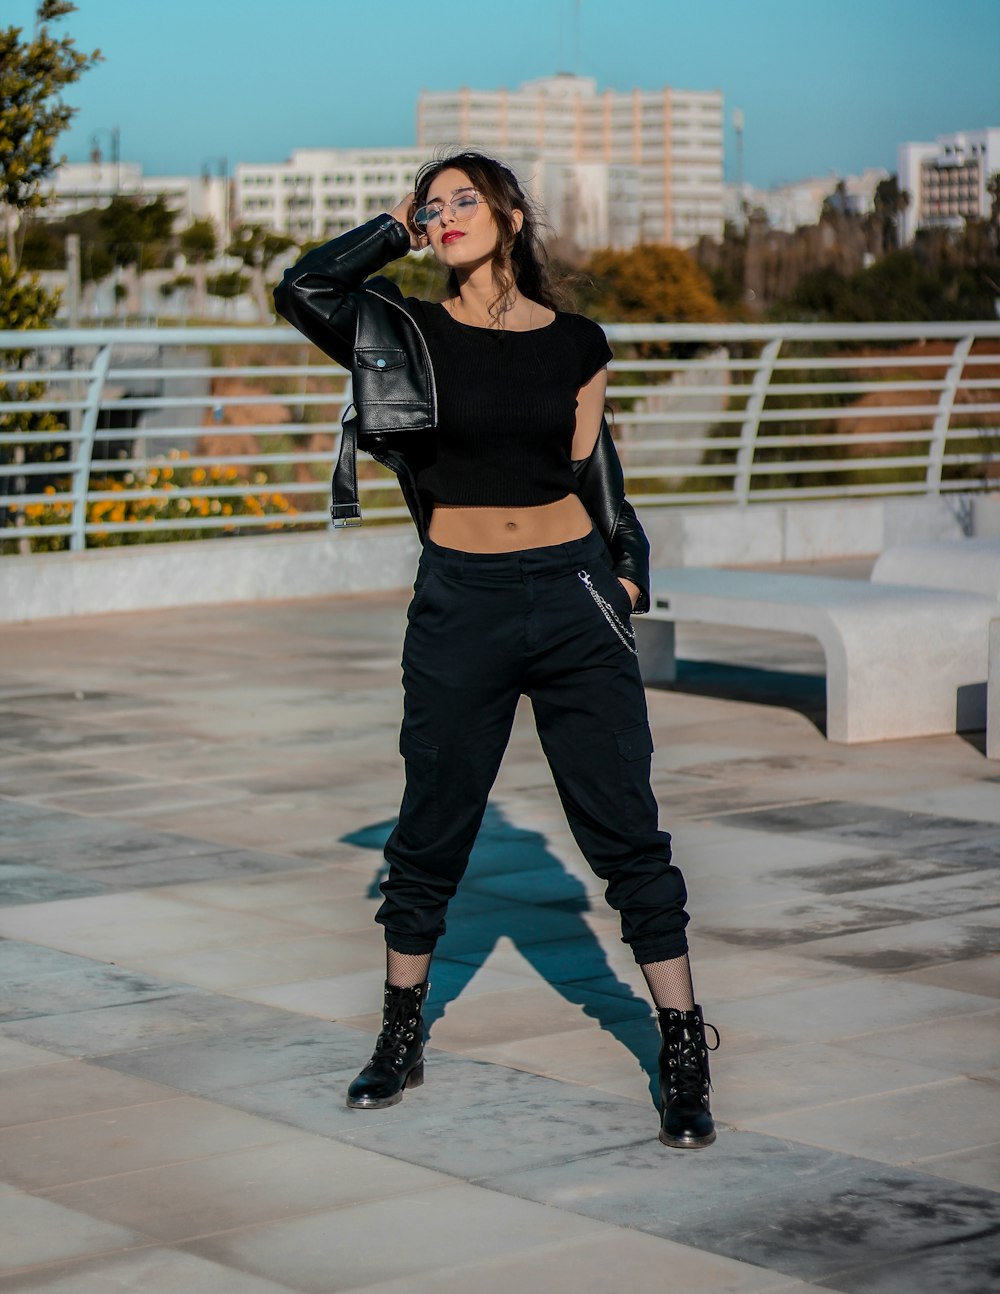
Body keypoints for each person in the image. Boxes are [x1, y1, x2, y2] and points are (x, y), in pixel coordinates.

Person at [274, 151, 718, 1149]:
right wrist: (393, 227)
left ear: (511, 215)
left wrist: (626, 565)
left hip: (570, 594)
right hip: (460, 602)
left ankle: (682, 1044)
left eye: (463, 200)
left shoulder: (576, 342)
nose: (446, 217)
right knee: (431, 825)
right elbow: (300, 288)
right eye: (433, 207)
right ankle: (400, 1033)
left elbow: (592, 465)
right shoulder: (405, 327)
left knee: (625, 830)